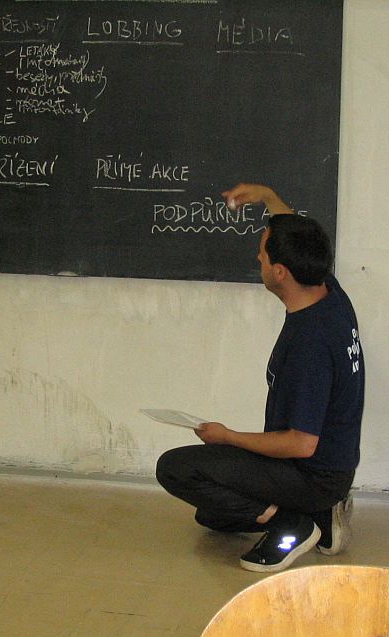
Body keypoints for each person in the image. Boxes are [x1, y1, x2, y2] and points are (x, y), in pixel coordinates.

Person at [156, 184, 365, 572]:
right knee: (212, 515)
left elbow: (301, 443)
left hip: (311, 473)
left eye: (263, 254)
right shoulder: (327, 291)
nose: (258, 257)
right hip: (329, 467)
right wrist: (267, 196)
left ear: (280, 272)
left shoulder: (309, 345)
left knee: (176, 469)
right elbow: (296, 233)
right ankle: (321, 515)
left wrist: (228, 436)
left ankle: (293, 524)